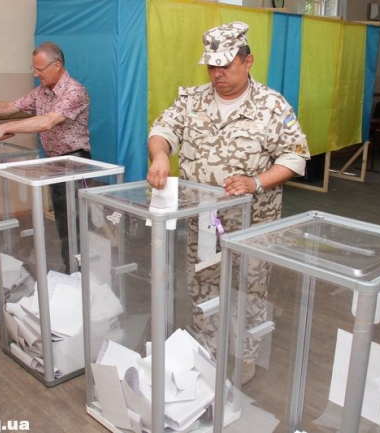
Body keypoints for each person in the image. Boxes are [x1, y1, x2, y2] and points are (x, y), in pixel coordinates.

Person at [146, 21, 310, 384]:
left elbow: (295, 156)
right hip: (204, 221)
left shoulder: (271, 105)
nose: (217, 74)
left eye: (225, 66)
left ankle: (243, 358)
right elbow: (163, 130)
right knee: (203, 284)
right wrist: (160, 156)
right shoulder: (192, 99)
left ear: (247, 61)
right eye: (211, 66)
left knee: (250, 289)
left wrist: (256, 182)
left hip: (253, 226)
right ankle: (207, 351)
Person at [0, 42, 91, 273]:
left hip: (75, 162)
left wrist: (6, 127)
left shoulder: (75, 91)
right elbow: (10, 106)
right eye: (34, 68)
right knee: (63, 222)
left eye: (39, 69)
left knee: (77, 222)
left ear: (57, 65)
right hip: (53, 162)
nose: (35, 74)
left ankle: (83, 273)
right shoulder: (41, 92)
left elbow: (48, 121)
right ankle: (70, 272)